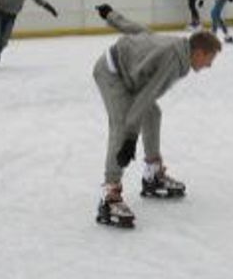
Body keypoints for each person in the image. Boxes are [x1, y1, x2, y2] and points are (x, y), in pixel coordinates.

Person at [93, 31, 222, 229]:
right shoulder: (174, 60)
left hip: (129, 72)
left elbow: (140, 33)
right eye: (209, 59)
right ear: (198, 52)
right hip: (112, 73)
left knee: (153, 113)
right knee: (121, 125)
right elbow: (145, 98)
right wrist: (130, 138)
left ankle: (152, 174)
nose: (209, 65)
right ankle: (109, 194)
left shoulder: (180, 49)